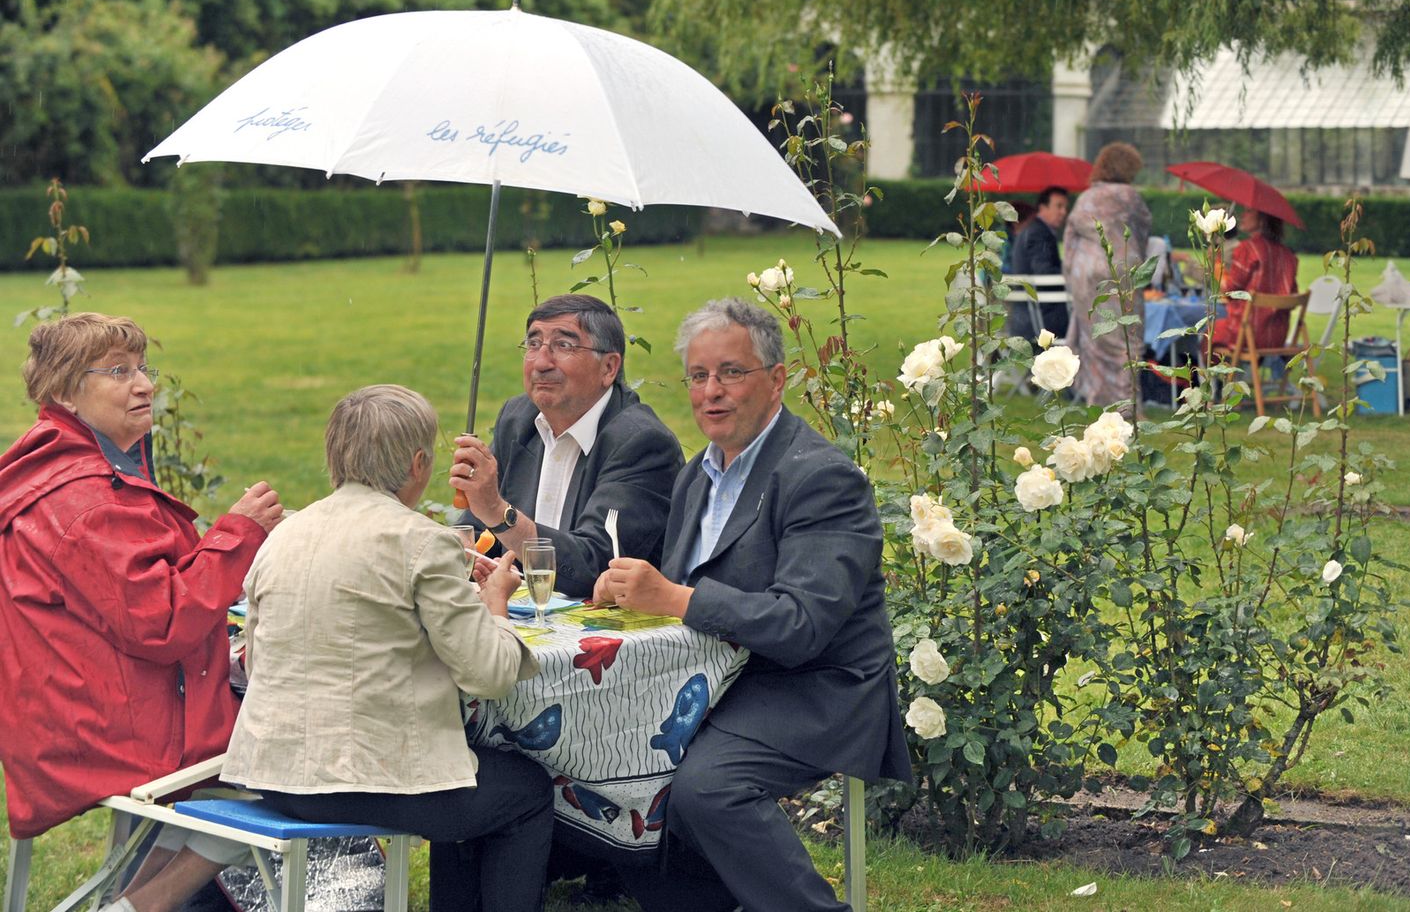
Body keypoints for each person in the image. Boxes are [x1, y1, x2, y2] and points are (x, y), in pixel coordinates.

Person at [595, 298, 913, 912]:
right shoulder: (698, 475)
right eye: (698, 375)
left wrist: (675, 596)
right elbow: (684, 590)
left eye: (731, 372)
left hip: (816, 687)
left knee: (708, 786)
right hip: (719, 675)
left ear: (776, 380)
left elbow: (802, 625)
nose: (711, 391)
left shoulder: (821, 476)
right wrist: (631, 595)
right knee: (610, 753)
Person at [222, 385, 552, 912]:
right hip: (369, 780)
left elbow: (260, 661)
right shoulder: (421, 540)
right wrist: (495, 606)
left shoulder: (283, 535)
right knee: (525, 790)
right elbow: (489, 674)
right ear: (418, 463)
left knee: (475, 775)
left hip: (273, 771)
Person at [0, 313, 283, 912]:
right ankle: (139, 908)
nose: (145, 385)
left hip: (62, 718)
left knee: (262, 732)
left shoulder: (48, 465)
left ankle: (133, 899)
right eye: (119, 372)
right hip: (106, 734)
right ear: (65, 391)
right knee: (296, 752)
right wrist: (239, 534)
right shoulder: (85, 502)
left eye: (143, 369)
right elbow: (165, 623)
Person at [450, 294, 682, 599]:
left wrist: (497, 511)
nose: (542, 363)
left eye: (564, 346)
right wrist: (465, 551)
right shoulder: (518, 419)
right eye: (533, 345)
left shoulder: (642, 444)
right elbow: (479, 534)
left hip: (607, 636)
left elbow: (594, 566)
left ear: (609, 368)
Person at [1063, 142, 1154, 409]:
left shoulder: (1087, 197)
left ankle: (1099, 398)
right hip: (1119, 271)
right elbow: (1142, 231)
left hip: (1085, 275)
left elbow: (1070, 240)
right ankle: (1127, 404)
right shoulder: (1128, 196)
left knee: (1096, 337)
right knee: (1127, 334)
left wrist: (1073, 275)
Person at [1209, 208, 1299, 355]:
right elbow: (1292, 296)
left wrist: (1216, 266)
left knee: (1208, 334)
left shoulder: (1248, 249)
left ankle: (1214, 378)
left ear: (1263, 219)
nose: (1242, 215)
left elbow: (1230, 291)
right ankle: (1242, 374)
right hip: (1277, 336)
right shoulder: (1288, 255)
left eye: (1249, 212)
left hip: (1246, 334)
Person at [1007, 185, 1072, 344]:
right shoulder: (1038, 233)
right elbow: (1046, 274)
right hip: (1038, 321)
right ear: (1043, 208)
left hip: (1029, 316)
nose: (1063, 212)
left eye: (1065, 207)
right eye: (1059, 206)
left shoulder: (1035, 230)